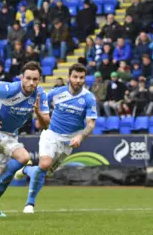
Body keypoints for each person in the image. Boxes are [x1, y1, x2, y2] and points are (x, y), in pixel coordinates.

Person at [16, 64, 97, 213]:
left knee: (44, 172)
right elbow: (40, 103)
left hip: (69, 142)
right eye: (75, 77)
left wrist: (80, 136)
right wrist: (37, 112)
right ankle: (29, 204)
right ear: (69, 77)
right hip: (51, 134)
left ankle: (27, 170)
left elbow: (91, 124)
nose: (78, 80)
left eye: (81, 77)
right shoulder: (56, 93)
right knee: (45, 164)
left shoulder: (89, 98)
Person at [0, 62, 49, 217]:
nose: (31, 82)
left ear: (39, 80)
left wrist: (37, 112)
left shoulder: (40, 95)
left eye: (35, 79)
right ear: (21, 78)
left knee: (5, 174)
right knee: (24, 157)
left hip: (10, 135)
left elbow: (45, 125)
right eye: (28, 78)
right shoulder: (9, 89)